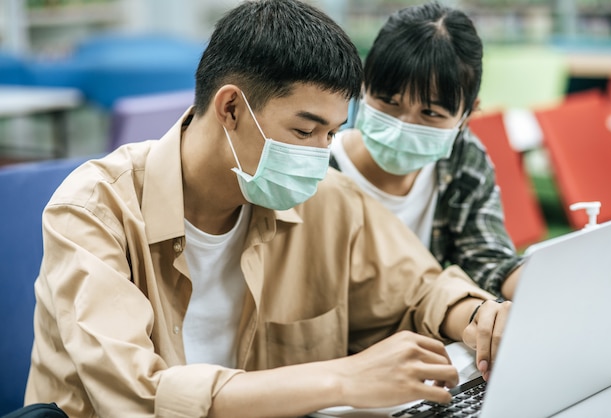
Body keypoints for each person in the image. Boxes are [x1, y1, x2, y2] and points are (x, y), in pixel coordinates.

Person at [25, 1, 510, 417]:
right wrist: (341, 378)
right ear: (231, 109)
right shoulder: (93, 210)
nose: (320, 156)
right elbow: (136, 393)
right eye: (304, 131)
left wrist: (480, 317)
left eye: (332, 135)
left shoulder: (327, 201)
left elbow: (422, 291)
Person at [330, 2, 523, 300]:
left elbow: (487, 261)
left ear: (467, 114)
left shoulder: (462, 158)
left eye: (430, 113)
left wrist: (538, 286)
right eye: (389, 103)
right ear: (364, 86)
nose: (402, 126)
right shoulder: (322, 167)